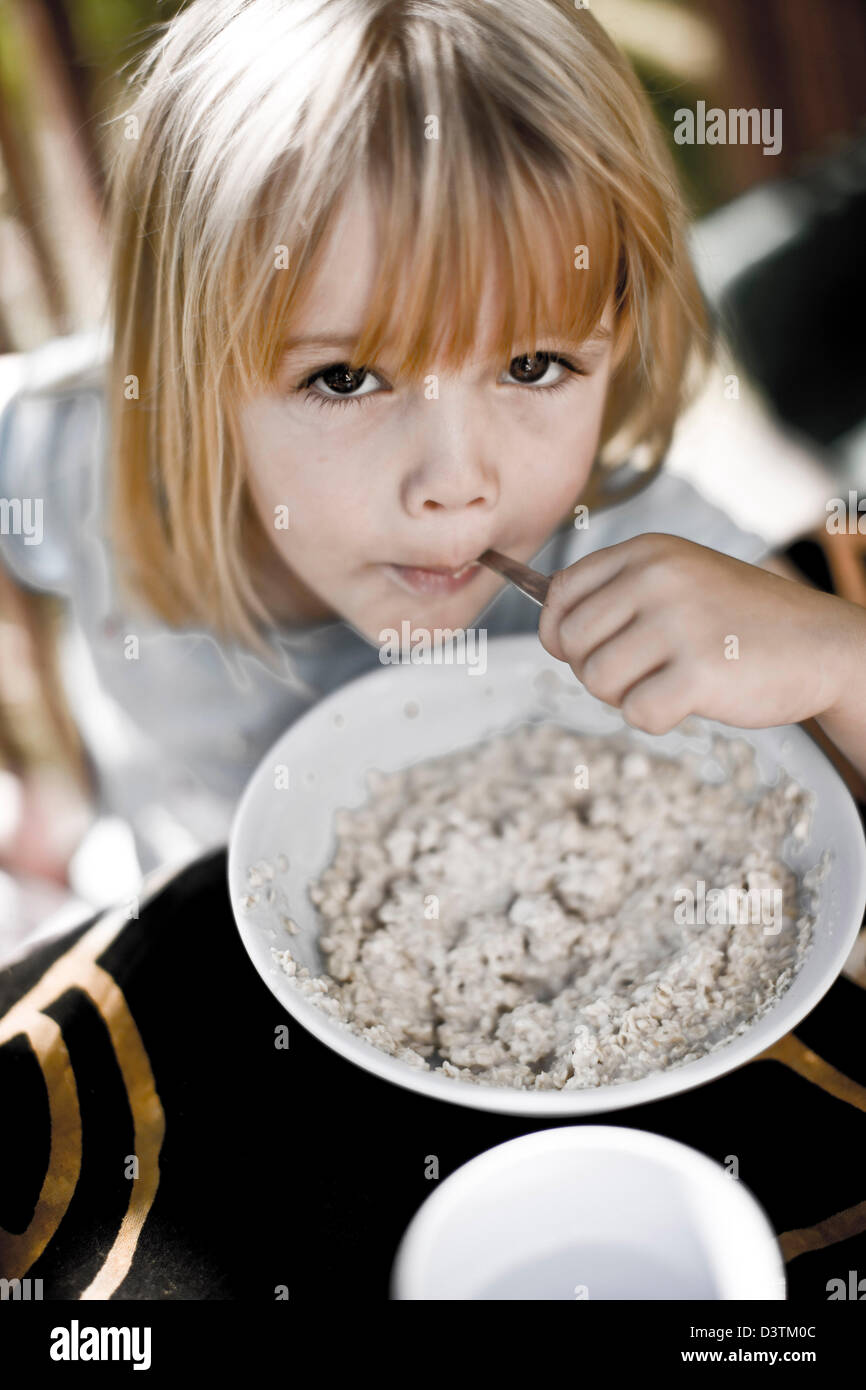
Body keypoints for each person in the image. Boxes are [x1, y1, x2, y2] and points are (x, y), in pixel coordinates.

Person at [0, 0, 863, 889]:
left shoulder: (635, 547)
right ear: (189, 375)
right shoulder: (87, 459)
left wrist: (841, 661)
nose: (456, 483)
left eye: (532, 365)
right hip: (167, 899)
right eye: (344, 380)